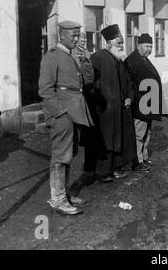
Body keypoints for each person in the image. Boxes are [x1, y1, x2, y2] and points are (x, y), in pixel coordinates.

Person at [38, 20, 94, 215]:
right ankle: (58, 199)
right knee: (61, 156)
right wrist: (60, 112)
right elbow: (45, 90)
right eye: (74, 35)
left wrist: (86, 60)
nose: (77, 39)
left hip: (74, 112)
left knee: (68, 154)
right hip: (62, 113)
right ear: (62, 35)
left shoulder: (72, 57)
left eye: (78, 35)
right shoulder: (52, 56)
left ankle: (64, 193)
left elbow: (87, 81)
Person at [83, 24, 138, 183]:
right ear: (109, 43)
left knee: (119, 138)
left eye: (122, 43)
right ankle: (102, 171)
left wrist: (129, 97)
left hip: (121, 107)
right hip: (105, 109)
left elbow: (128, 81)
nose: (121, 46)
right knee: (106, 140)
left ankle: (116, 168)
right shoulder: (98, 57)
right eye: (118, 43)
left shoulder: (121, 59)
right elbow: (91, 83)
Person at [128, 33, 168, 170]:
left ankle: (144, 157)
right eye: (147, 46)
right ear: (138, 46)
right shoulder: (132, 60)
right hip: (141, 103)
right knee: (139, 133)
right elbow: (129, 84)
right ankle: (137, 161)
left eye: (151, 46)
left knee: (147, 132)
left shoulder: (144, 59)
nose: (149, 49)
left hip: (149, 103)